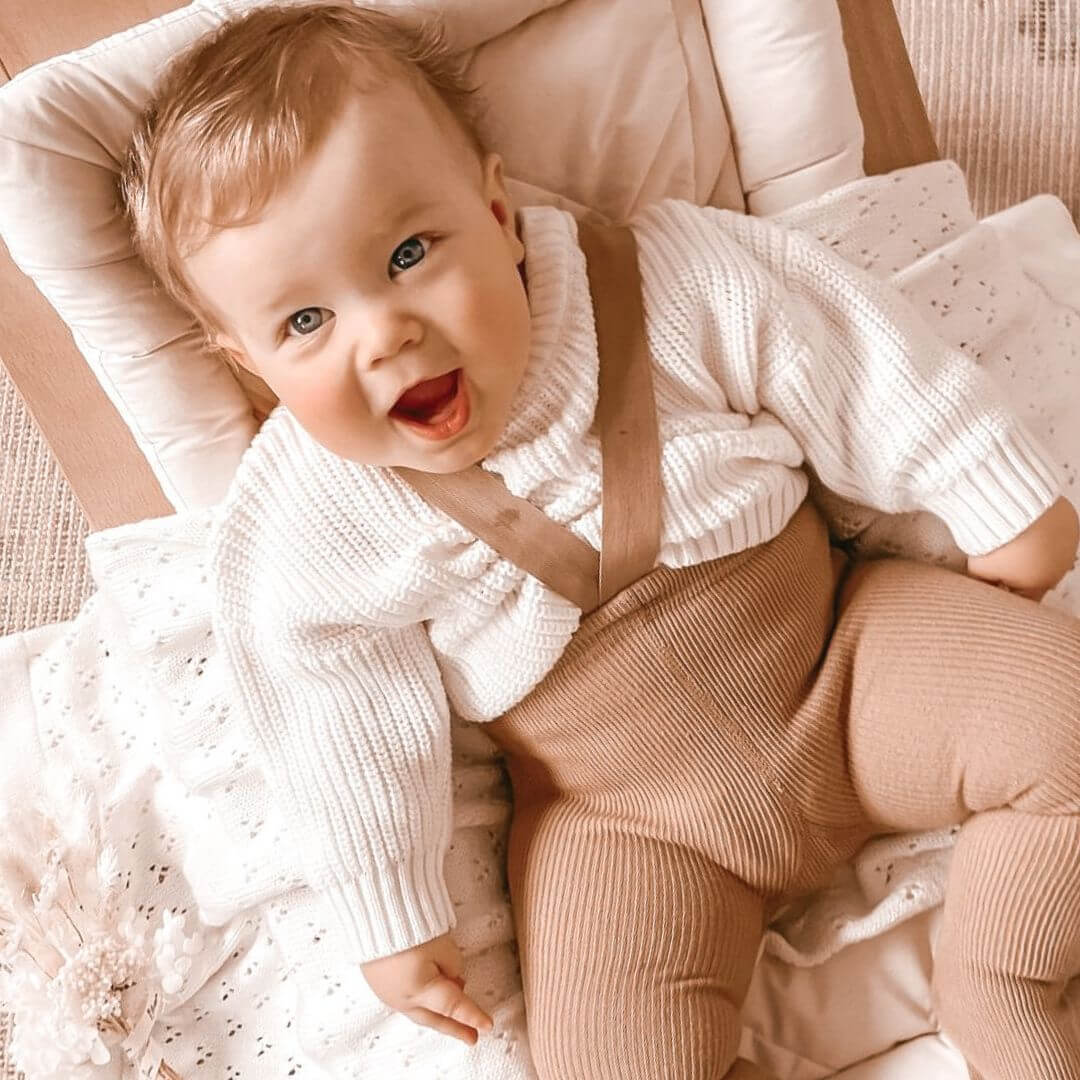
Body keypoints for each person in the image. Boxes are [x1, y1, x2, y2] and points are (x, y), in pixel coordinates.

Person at [121, 4, 1080, 1078]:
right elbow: (329, 716)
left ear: (497, 212)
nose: (384, 334)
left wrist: (994, 496)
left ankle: (999, 982)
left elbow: (852, 357)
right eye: (305, 322)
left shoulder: (663, 276)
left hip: (841, 663)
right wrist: (390, 910)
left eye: (408, 253)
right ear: (248, 362)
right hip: (624, 820)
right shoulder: (309, 516)